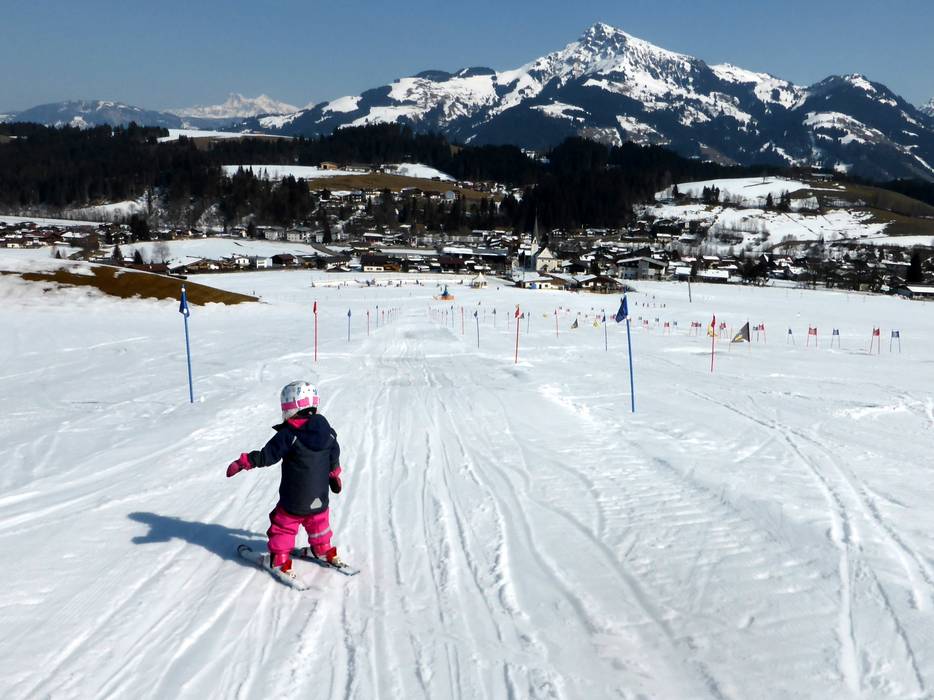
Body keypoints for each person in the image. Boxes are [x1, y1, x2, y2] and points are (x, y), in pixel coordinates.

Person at [226, 381, 344, 575]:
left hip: (294, 500)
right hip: (320, 498)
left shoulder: (289, 435)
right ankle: (323, 548)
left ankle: (280, 559)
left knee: (283, 524)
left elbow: (266, 456)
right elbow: (334, 456)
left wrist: (243, 462)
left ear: (292, 407)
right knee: (318, 521)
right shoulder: (329, 433)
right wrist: (334, 475)